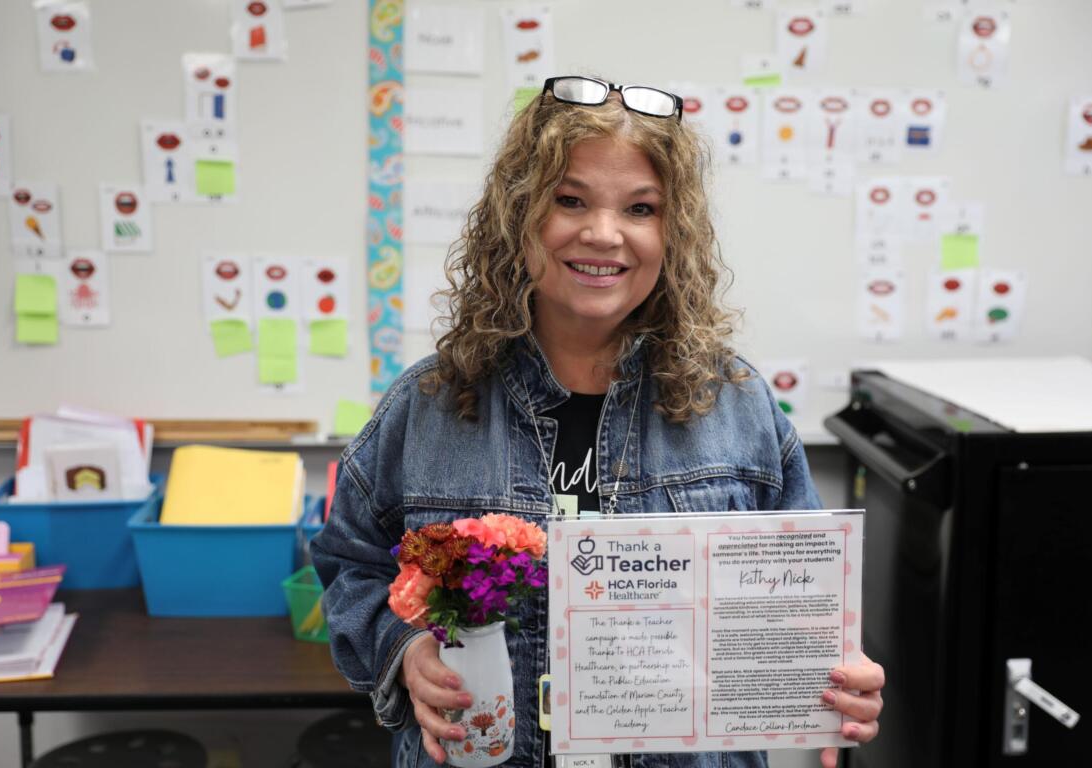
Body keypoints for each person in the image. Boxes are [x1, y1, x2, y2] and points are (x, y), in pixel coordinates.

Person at [312, 75, 884, 768]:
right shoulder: (430, 404)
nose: (604, 234)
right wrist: (403, 650)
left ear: (672, 233)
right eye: (570, 200)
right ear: (518, 215)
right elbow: (351, 562)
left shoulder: (736, 405)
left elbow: (797, 603)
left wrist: (831, 679)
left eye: (641, 208)